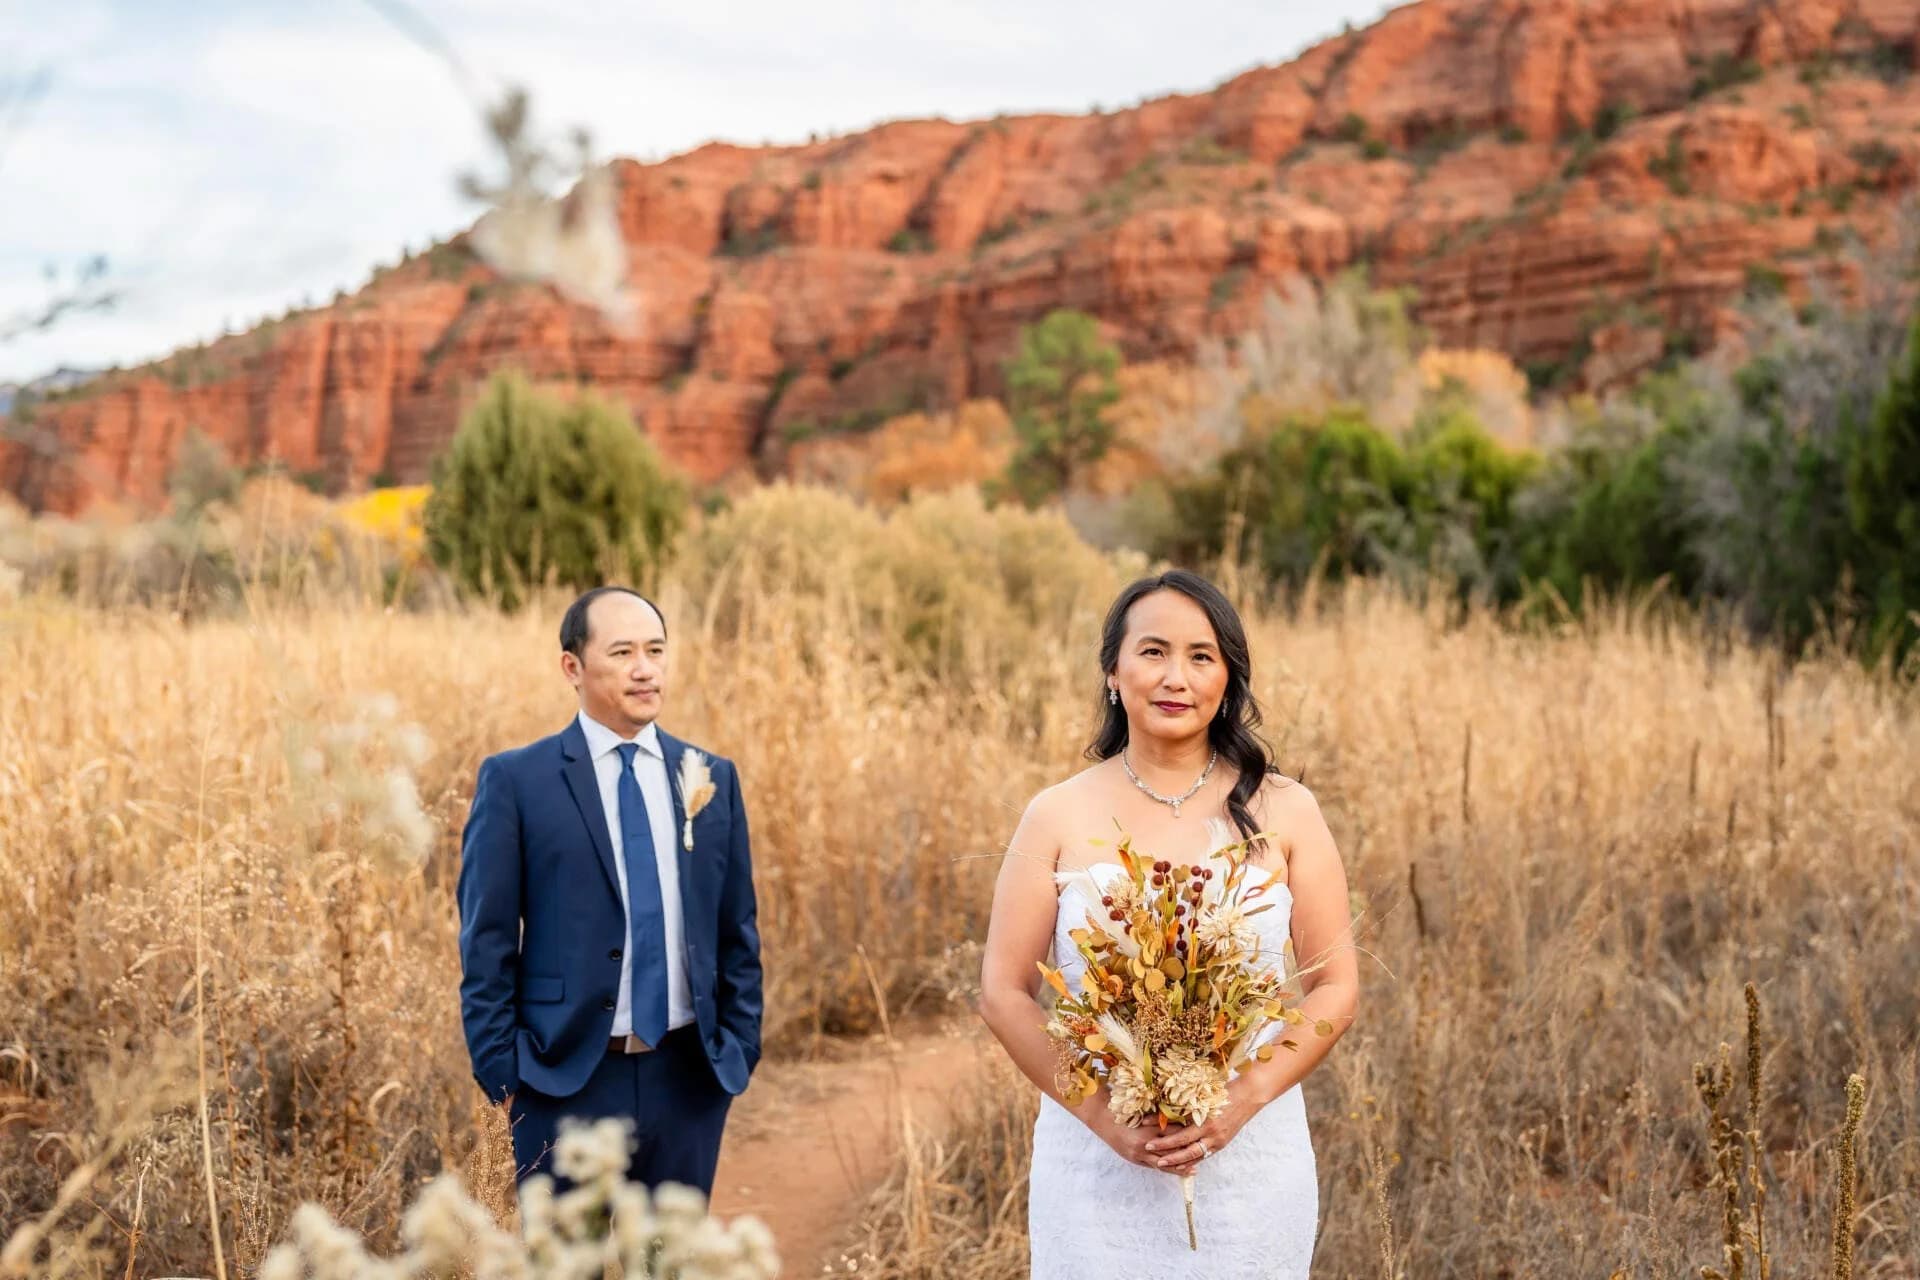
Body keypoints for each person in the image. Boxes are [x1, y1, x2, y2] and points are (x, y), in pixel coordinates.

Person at [980, 569, 1359, 1277]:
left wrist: (1240, 1103)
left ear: (1227, 679)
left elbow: (1336, 987)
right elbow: (1002, 992)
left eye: (1200, 656)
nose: (1175, 677)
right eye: (1152, 652)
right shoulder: (1056, 813)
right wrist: (1102, 1118)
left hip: (1253, 1159)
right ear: (1113, 673)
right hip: (1095, 1169)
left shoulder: (1288, 810)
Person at [457, 585, 763, 1193]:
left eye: (656, 650)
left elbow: (737, 929)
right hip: (561, 1080)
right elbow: (486, 940)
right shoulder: (517, 781)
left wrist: (738, 1047)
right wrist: (503, 1074)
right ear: (572, 666)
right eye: (622, 652)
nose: (645, 669)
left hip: (688, 1079)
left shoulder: (709, 777)